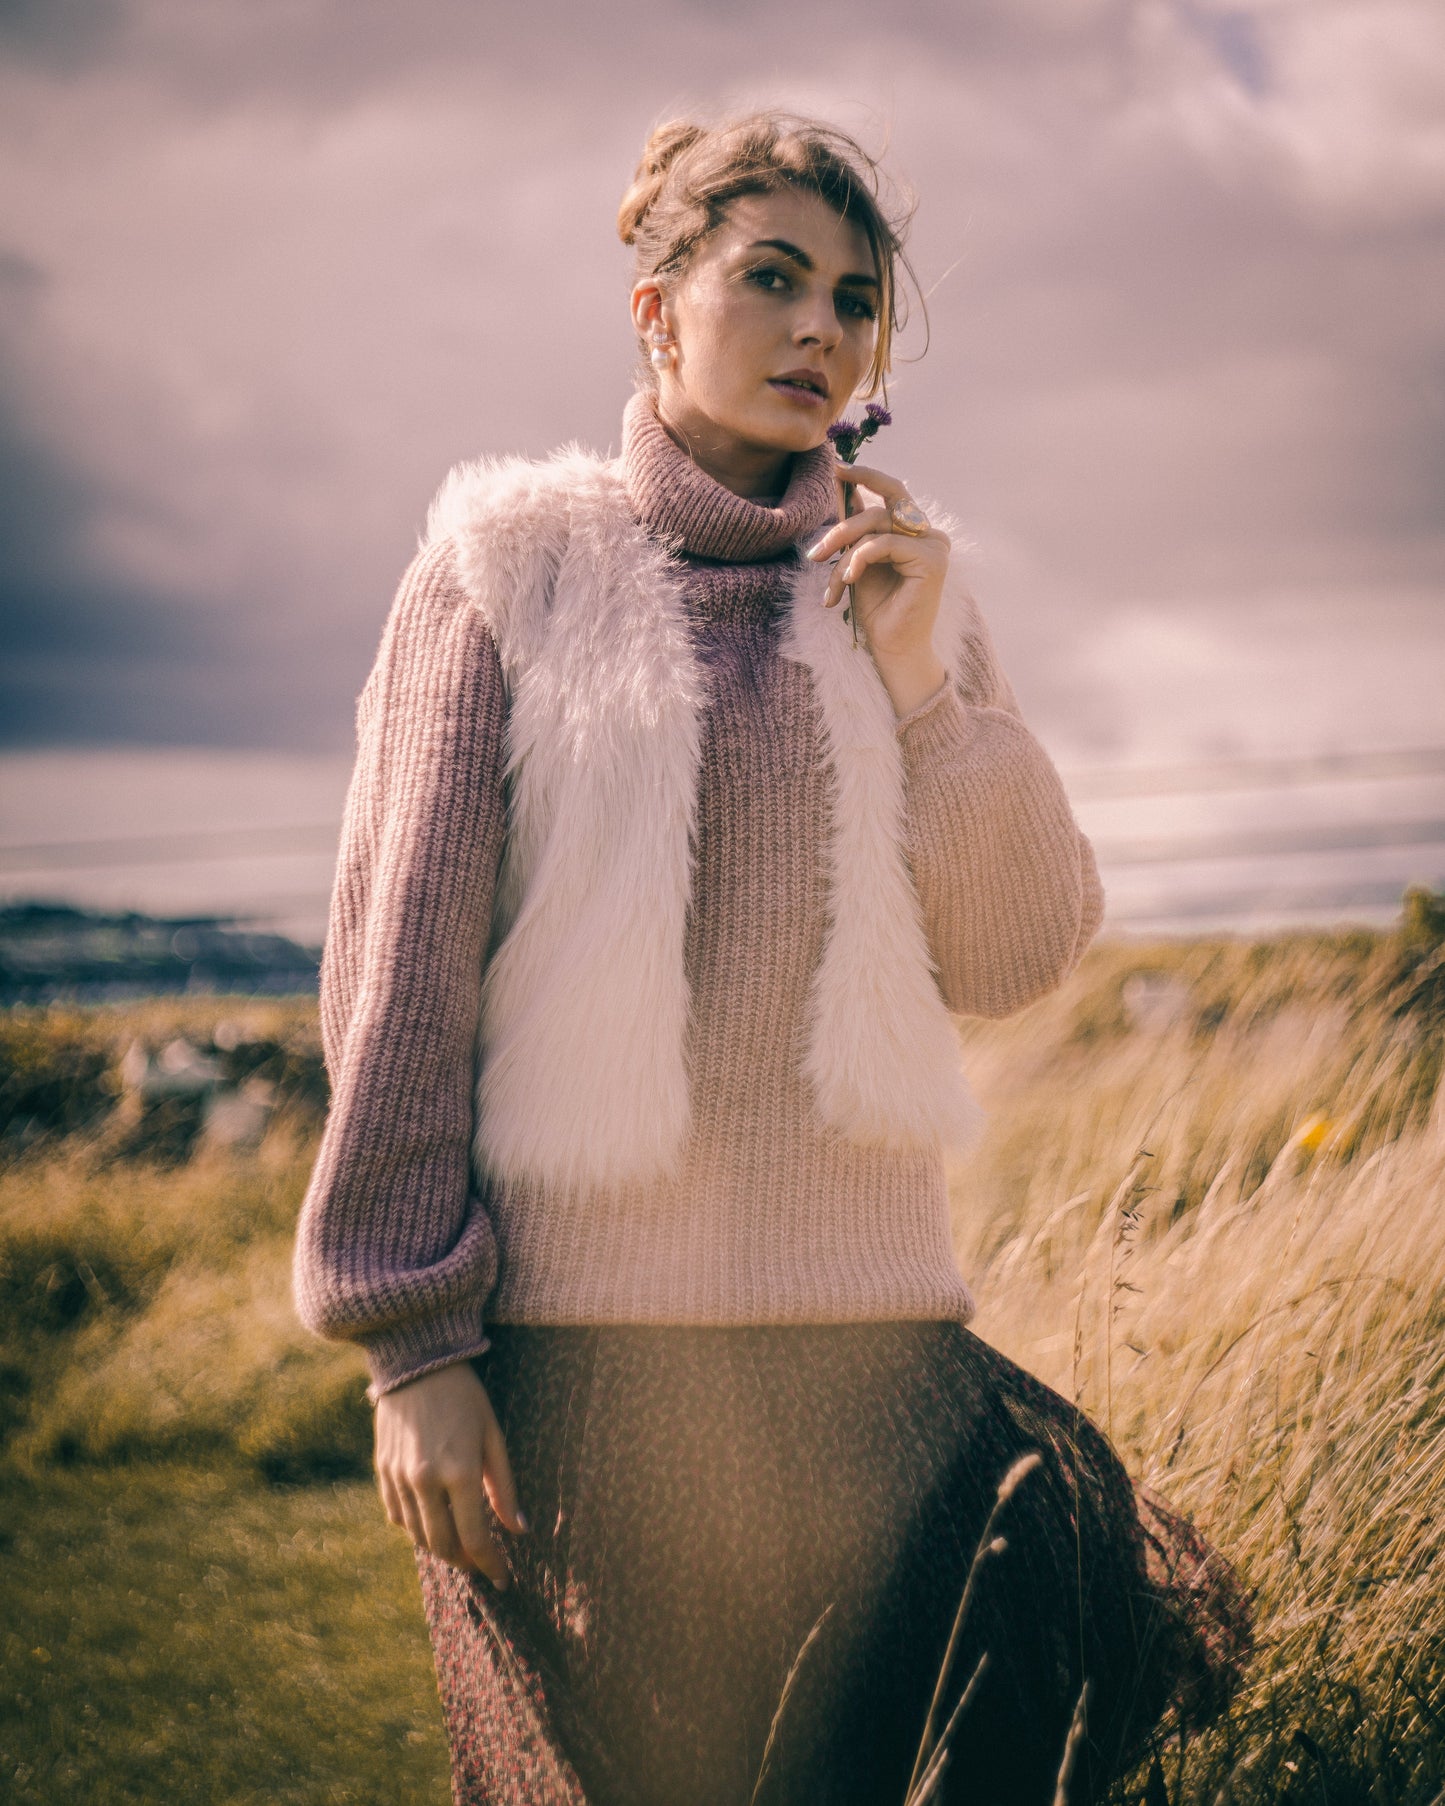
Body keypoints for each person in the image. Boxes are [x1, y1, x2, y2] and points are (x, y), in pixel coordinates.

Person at [293, 111, 1252, 1806]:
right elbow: (399, 973)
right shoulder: (504, 567)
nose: (823, 326)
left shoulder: (907, 590)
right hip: (586, 1387)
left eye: (858, 299)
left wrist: (924, 688)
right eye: (775, 279)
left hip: (873, 1374)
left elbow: (1020, 948)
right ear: (656, 308)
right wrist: (411, 1351)